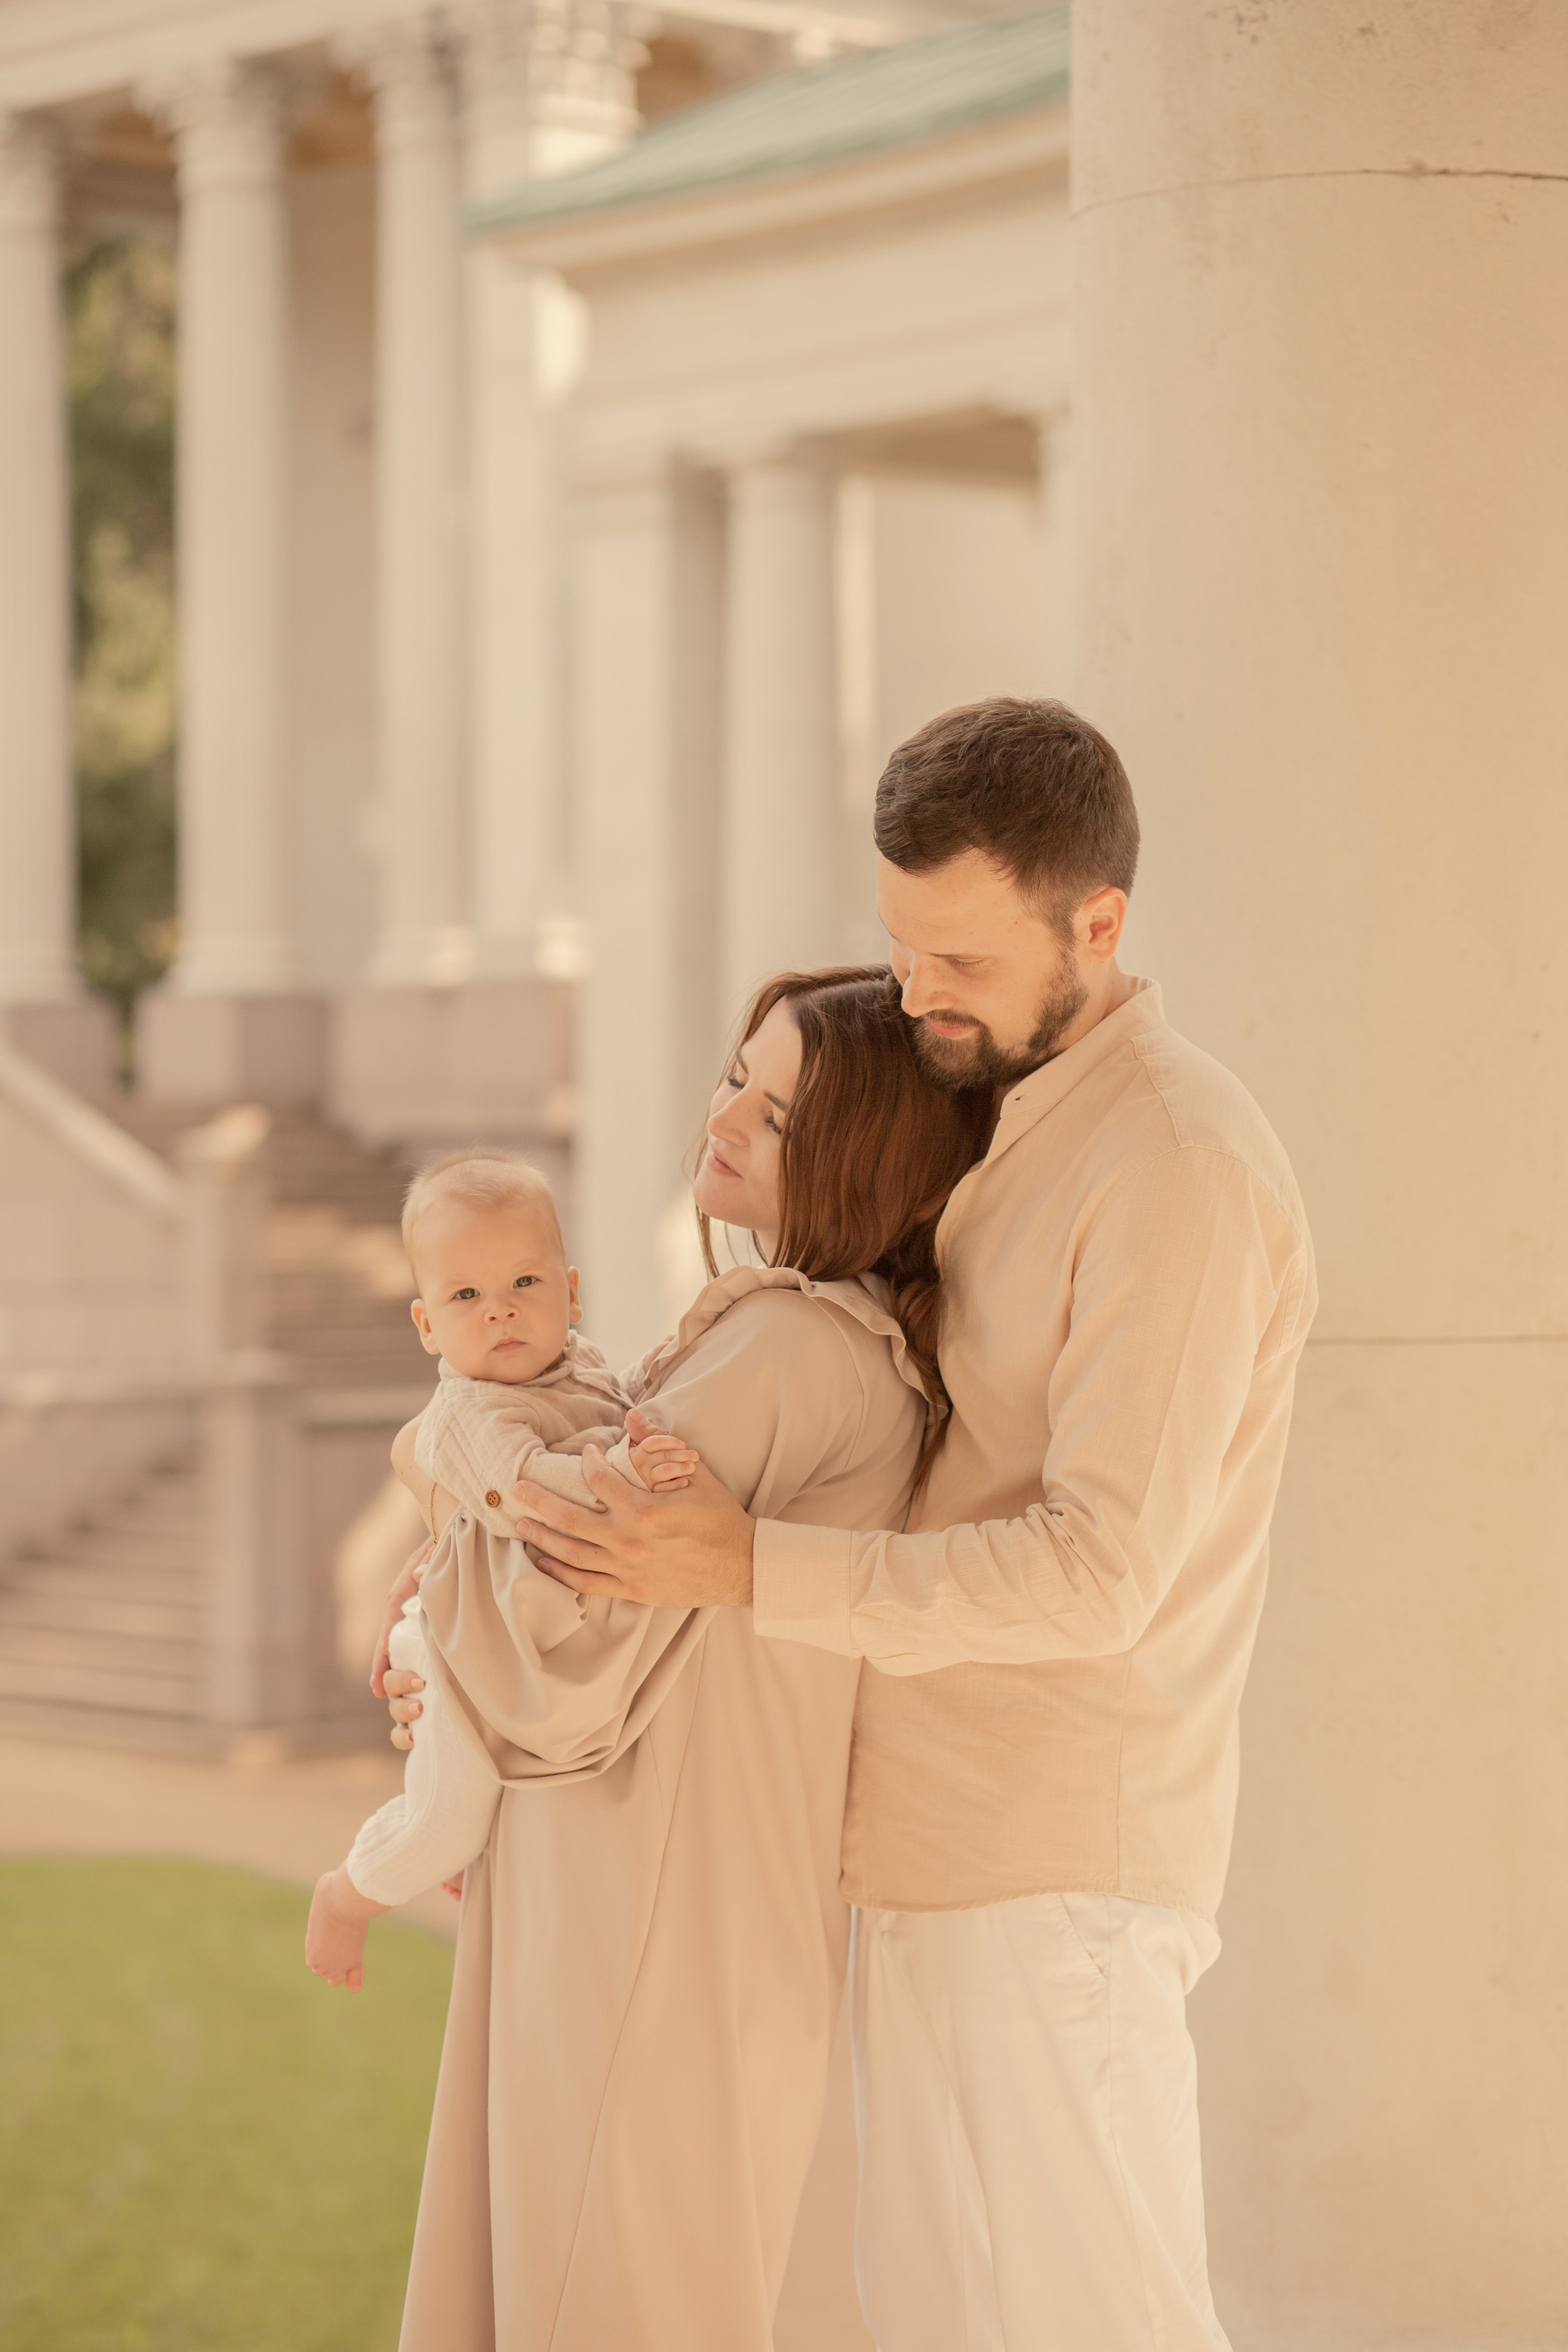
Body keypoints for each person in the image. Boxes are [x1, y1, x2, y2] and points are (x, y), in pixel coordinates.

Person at [507, 698, 1319, 2351]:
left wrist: (747, 1571)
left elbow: (1104, 1571)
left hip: (1056, 1879)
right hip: (923, 1858)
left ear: (1100, 925)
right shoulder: (1003, 1118)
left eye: (961, 960)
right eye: (900, 947)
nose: (918, 997)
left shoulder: (1171, 1169)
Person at [372, 967, 990, 2351]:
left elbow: (555, 1596)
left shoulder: (783, 1348)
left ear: (850, 1160)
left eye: (771, 1118)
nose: (723, 1120)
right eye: (735, 1076)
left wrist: (442, 1449)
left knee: (602, 2289)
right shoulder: (818, 1343)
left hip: (641, 1901)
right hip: (672, 1892)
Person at [304, 1149, 696, 1992]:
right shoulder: (468, 1413)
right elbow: (531, 1494)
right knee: (447, 1816)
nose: (501, 1315)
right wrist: (628, 1471)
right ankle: (349, 1894)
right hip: (447, 1641)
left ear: (573, 1293)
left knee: (472, 1805)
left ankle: (451, 1833)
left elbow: (620, 1401)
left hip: (498, 1629)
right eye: (467, 1296)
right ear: (427, 1326)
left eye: (525, 1283)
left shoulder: (580, 1368)